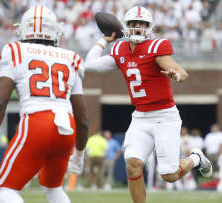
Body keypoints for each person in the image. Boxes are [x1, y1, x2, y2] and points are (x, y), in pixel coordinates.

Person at [84, 6, 212, 203]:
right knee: (132, 165)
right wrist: (104, 39)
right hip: (140, 116)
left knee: (169, 174)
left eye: (142, 24)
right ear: (125, 27)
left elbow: (180, 70)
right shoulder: (120, 49)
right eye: (134, 24)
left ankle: (196, 158)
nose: (137, 28)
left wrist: (176, 74)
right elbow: (90, 64)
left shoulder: (156, 47)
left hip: (164, 116)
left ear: (149, 27)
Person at [0, 6, 89, 203]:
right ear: (55, 30)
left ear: (23, 29)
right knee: (53, 188)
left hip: (37, 122)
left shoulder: (15, 50)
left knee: (5, 188)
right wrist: (79, 155)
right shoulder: (71, 58)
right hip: (67, 128)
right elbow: (83, 120)